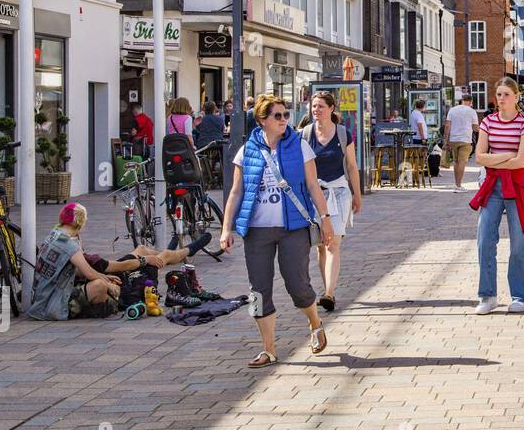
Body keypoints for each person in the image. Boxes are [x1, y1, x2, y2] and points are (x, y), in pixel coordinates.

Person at [220, 94, 335, 368]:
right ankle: (268, 348)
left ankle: (314, 322)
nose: (284, 120)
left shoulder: (300, 146)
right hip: (257, 230)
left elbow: (312, 186)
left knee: (297, 284)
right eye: (278, 116)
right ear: (262, 120)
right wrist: (227, 228)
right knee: (258, 291)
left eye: (286, 115)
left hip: (292, 227)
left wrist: (326, 219)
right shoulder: (247, 150)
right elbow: (236, 192)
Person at [27, 202, 202, 320]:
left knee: (142, 255)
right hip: (53, 304)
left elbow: (81, 270)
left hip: (45, 297)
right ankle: (180, 253)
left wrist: (104, 276)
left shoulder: (54, 235)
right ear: (80, 223)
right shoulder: (70, 244)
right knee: (100, 287)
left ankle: (179, 252)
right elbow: (88, 272)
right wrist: (106, 281)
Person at [471, 78, 524, 315]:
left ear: (516, 97)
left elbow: (521, 162)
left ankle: (522, 296)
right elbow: (479, 157)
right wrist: (508, 154)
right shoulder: (488, 121)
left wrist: (496, 158)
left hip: (517, 186)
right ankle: (487, 296)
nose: (501, 98)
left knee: (519, 242)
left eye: (506, 94)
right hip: (492, 186)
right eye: (498, 94)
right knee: (485, 239)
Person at [301, 92, 362, 312]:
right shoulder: (305, 134)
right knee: (320, 247)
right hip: (314, 194)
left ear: (331, 108)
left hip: (339, 191)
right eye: (313, 106)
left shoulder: (343, 134)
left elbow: (352, 166)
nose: (316, 110)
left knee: (333, 243)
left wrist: (357, 193)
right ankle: (327, 288)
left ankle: (329, 293)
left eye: (320, 106)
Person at [444, 93, 481, 190]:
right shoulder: (472, 111)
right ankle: (458, 185)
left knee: (456, 162)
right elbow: (475, 128)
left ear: (462, 100)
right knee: (462, 162)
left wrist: (445, 140)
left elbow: (447, 125)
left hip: (453, 139)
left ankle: (457, 184)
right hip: (465, 139)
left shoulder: (452, 110)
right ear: (470, 102)